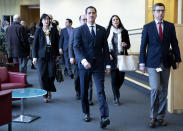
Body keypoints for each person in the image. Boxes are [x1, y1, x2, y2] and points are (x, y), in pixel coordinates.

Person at [139, 3, 181, 128]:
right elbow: (143, 47)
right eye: (158, 11)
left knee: (164, 91)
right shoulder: (148, 27)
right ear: (153, 12)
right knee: (155, 88)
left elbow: (174, 43)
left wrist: (177, 59)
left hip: (166, 62)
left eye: (162, 11)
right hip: (152, 63)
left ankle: (161, 117)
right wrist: (142, 62)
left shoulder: (169, 26)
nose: (160, 13)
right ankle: (153, 116)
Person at [73, 6, 111, 128]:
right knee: (84, 91)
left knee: (100, 90)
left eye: (93, 13)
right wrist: (83, 60)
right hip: (84, 65)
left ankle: (104, 116)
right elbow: (76, 47)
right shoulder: (79, 30)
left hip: (98, 65)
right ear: (86, 15)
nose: (91, 15)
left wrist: (108, 64)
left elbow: (105, 49)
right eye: (89, 13)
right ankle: (86, 112)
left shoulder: (101, 30)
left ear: (96, 15)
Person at [32, 14, 59, 103]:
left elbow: (57, 44)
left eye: (48, 19)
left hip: (51, 54)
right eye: (44, 19)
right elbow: (35, 45)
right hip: (41, 56)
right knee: (42, 75)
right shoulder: (38, 30)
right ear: (41, 21)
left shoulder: (54, 30)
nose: (46, 21)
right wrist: (34, 57)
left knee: (51, 74)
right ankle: (45, 94)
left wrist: (58, 55)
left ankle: (49, 89)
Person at [68, 15, 93, 105]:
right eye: (83, 20)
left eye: (86, 19)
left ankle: (89, 98)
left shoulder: (91, 30)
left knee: (89, 79)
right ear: (80, 21)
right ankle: (78, 92)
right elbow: (70, 44)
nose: (85, 21)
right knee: (77, 78)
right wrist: (71, 56)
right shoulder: (75, 31)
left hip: (88, 59)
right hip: (77, 58)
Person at [106, 15, 130, 105]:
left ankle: (116, 90)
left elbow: (129, 45)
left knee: (121, 78)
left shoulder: (124, 31)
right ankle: (116, 97)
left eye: (117, 19)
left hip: (121, 57)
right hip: (112, 58)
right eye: (113, 20)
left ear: (119, 21)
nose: (115, 21)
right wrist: (108, 54)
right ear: (111, 22)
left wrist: (125, 45)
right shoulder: (107, 31)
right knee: (113, 79)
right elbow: (104, 46)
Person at [6, 15, 32, 87]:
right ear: (19, 20)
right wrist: (27, 49)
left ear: (13, 20)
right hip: (21, 51)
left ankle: (17, 82)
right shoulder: (21, 27)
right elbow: (24, 40)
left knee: (16, 68)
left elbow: (7, 39)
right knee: (23, 67)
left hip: (12, 52)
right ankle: (23, 82)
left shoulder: (8, 28)